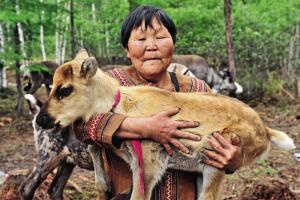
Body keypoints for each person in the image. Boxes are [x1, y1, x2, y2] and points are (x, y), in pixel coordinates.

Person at [74, 5, 242, 200]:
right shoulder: (110, 84)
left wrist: (234, 159)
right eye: (141, 39)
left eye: (161, 38)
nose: (152, 46)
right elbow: (81, 128)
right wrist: (142, 127)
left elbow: (229, 133)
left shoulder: (197, 89)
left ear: (173, 44)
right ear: (127, 49)